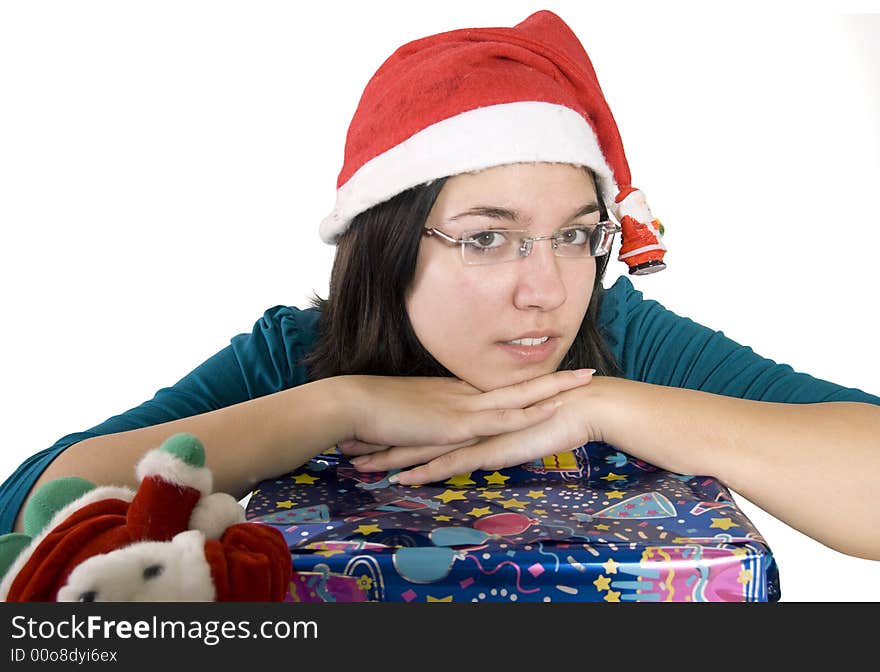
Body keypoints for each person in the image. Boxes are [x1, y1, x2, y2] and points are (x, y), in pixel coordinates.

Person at [1, 7, 879, 583]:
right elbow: (34, 510)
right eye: (489, 237)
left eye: (576, 235)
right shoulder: (294, 355)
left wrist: (607, 406)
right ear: (388, 244)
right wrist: (336, 403)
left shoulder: (618, 336)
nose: (547, 291)